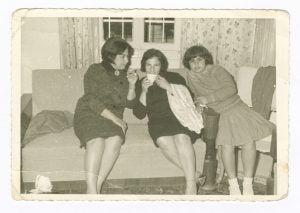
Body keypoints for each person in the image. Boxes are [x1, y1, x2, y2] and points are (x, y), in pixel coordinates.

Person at [182, 45, 275, 195]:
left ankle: (248, 184)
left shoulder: (217, 70)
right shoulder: (190, 76)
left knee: (248, 141)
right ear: (188, 64)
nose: (197, 64)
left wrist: (208, 98)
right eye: (192, 61)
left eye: (200, 59)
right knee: (227, 145)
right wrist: (198, 103)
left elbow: (231, 89)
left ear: (206, 60)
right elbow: (196, 95)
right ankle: (233, 185)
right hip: (217, 113)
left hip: (236, 107)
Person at [73, 37, 137, 194]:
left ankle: (94, 189)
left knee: (115, 140)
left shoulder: (125, 75)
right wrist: (116, 119)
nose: (127, 60)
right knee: (97, 141)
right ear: (111, 55)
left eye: (128, 56)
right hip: (90, 112)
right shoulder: (95, 70)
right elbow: (91, 99)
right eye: (123, 56)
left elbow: (130, 104)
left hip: (113, 116)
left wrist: (133, 86)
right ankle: (92, 191)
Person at [133, 49, 200, 195]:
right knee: (163, 141)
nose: (152, 69)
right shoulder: (141, 83)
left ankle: (191, 186)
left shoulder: (174, 77)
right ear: (144, 66)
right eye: (148, 65)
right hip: (158, 121)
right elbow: (139, 114)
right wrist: (144, 91)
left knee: (182, 138)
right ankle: (192, 174)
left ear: (161, 65)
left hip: (178, 117)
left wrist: (169, 87)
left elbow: (189, 100)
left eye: (156, 65)